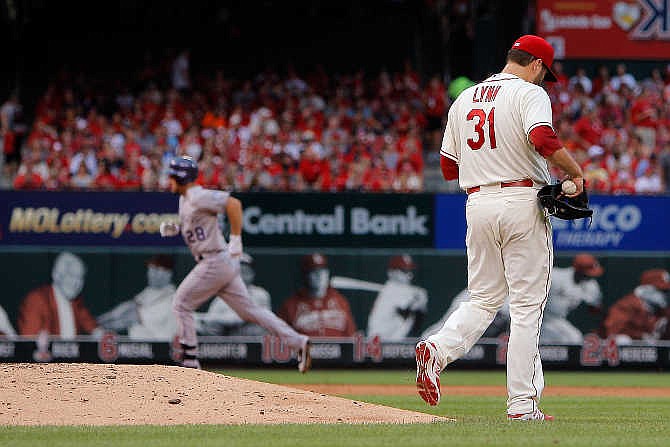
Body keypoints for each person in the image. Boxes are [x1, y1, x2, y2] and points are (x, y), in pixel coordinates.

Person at [415, 35, 585, 421]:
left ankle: (438, 350)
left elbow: (447, 167)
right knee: (526, 308)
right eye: (546, 74)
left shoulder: (464, 99)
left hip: (477, 203)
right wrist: (574, 172)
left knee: (482, 299)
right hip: (522, 201)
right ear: (538, 65)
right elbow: (541, 137)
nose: (544, 81)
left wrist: (488, 167)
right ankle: (522, 405)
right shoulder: (529, 93)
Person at [159, 155, 310, 371]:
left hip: (214, 260)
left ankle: (190, 361)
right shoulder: (185, 200)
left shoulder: (198, 196)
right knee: (251, 311)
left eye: (172, 176)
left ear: (180, 177)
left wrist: (236, 238)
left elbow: (233, 204)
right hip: (219, 263)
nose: (169, 180)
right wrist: (175, 229)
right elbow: (197, 225)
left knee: (181, 304)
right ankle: (298, 342)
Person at [17, 251, 101, 338]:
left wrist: (101, 334)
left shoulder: (76, 302)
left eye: (80, 278)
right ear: (56, 275)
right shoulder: (36, 300)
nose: (76, 283)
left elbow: (92, 326)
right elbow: (29, 341)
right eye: (72, 275)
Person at [96, 254, 178, 340]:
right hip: (141, 346)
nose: (151, 273)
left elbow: (131, 318)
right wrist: (99, 320)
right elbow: (127, 306)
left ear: (168, 274)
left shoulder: (172, 299)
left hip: (161, 346)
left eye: (156, 269)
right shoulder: (151, 291)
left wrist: (96, 327)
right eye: (150, 268)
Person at [278, 253, 357, 337]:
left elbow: (351, 337)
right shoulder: (290, 305)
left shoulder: (340, 301)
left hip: (335, 349)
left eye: (323, 271)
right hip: (304, 350)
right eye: (314, 272)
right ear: (305, 275)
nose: (319, 276)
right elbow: (280, 340)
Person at [195, 252, 272, 336]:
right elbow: (210, 321)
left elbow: (243, 317)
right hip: (231, 344)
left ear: (252, 274)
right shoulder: (222, 297)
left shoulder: (260, 294)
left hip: (255, 343)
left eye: (245, 272)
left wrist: (215, 319)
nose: (241, 276)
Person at [540, 254, 604, 344]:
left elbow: (596, 310)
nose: (590, 276)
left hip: (556, 320)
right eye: (588, 273)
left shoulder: (591, 286)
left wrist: (597, 329)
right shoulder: (555, 276)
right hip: (538, 317)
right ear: (578, 270)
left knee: (575, 339)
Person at [367, 254, 428, 340]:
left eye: (410, 270)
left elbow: (417, 318)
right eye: (404, 271)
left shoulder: (397, 289)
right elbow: (406, 310)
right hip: (380, 340)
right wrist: (419, 297)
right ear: (392, 272)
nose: (409, 275)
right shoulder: (393, 288)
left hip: (388, 340)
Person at [603, 269, 669, 344]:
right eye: (662, 290)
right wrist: (640, 336)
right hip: (631, 351)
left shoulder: (663, 310)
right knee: (622, 340)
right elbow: (613, 332)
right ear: (646, 289)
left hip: (657, 351)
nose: (665, 295)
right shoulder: (625, 306)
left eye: (667, 291)